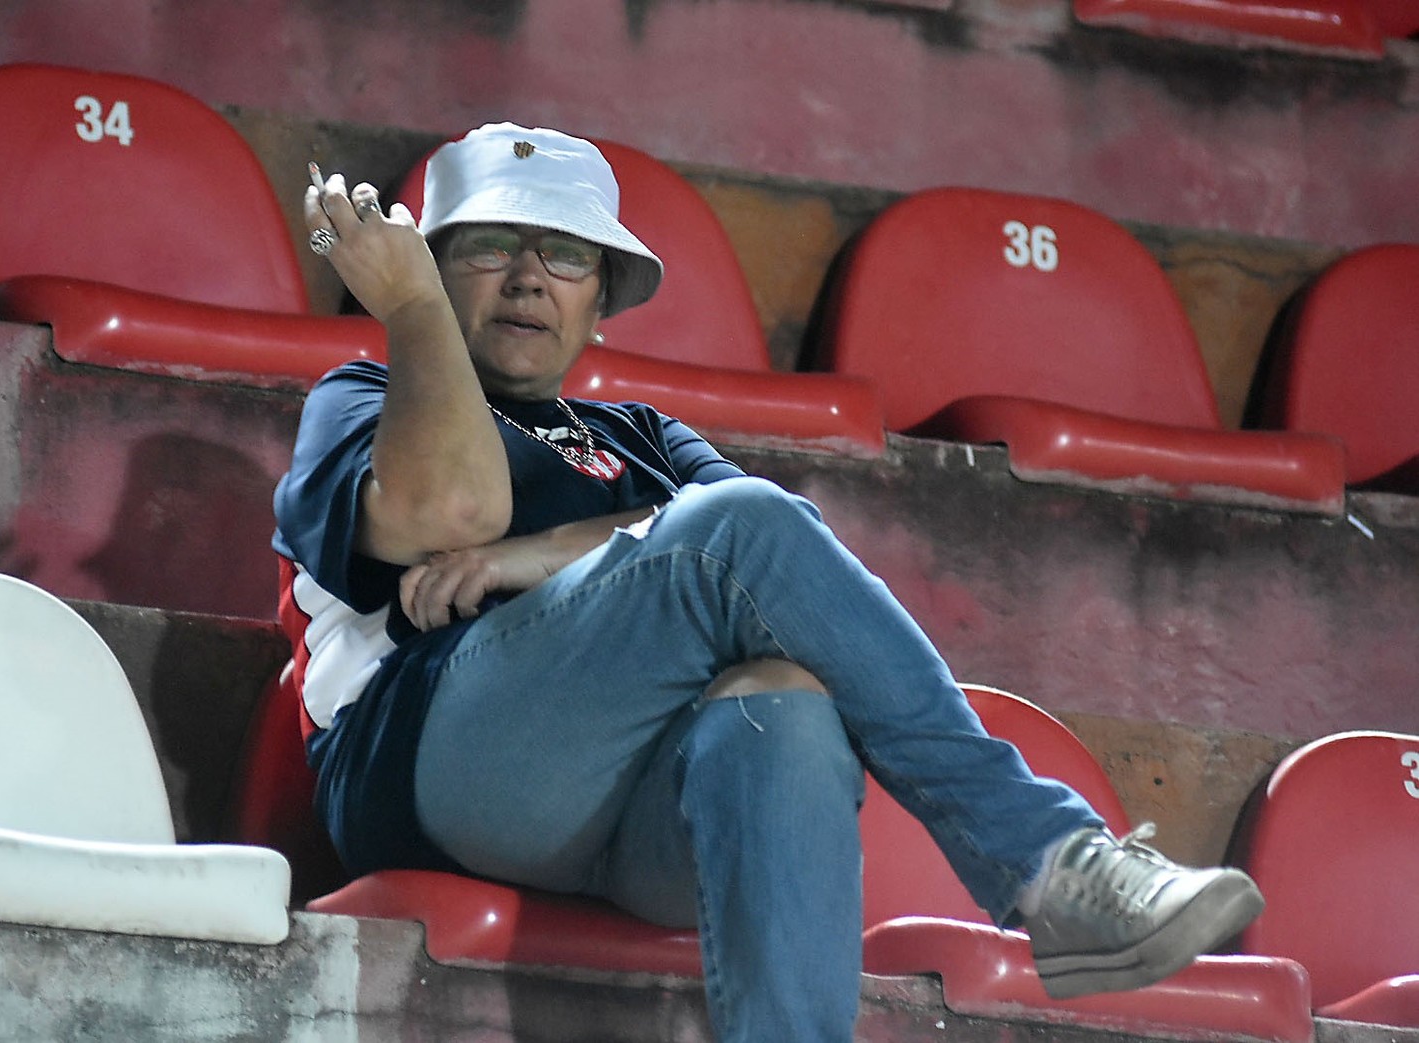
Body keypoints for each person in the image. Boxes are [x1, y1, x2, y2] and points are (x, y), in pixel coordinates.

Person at [273, 122, 1263, 1043]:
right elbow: (449, 511)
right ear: (433, 270)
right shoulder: (358, 398)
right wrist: (406, 311)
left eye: (566, 255)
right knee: (730, 530)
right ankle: (1047, 861)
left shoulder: (644, 436)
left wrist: (547, 548)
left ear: (600, 302)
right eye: (488, 246)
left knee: (781, 702)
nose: (530, 278)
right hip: (435, 776)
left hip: (640, 811)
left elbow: (788, 558)